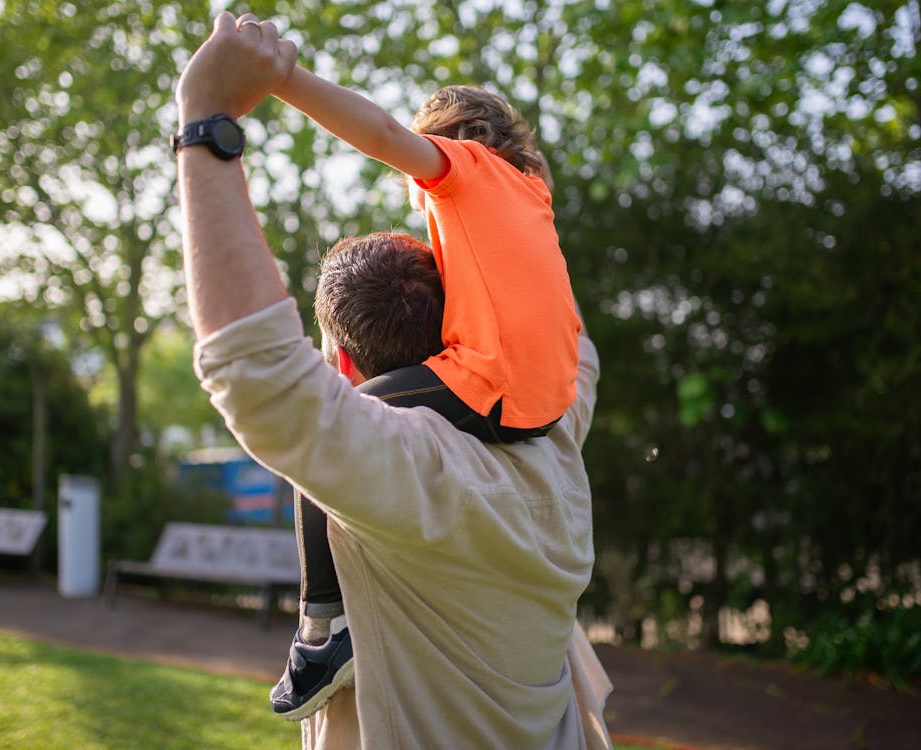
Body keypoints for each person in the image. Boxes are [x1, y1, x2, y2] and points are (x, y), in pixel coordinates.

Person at [173, 12, 610, 749]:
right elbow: (560, 321)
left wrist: (209, 114)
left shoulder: (410, 473)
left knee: (312, 468)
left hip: (456, 388)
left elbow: (264, 381)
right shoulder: (559, 427)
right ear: (449, 331)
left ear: (338, 359)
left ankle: (323, 625)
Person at [266, 26, 583, 719]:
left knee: (326, 430)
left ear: (452, 137)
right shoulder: (530, 193)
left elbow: (376, 128)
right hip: (550, 396)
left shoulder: (464, 168)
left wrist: (280, 78)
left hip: (494, 387)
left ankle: (323, 628)